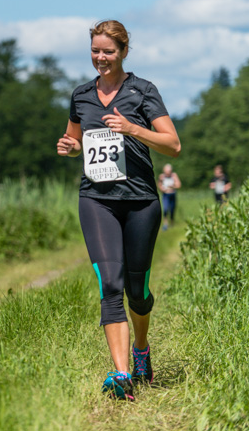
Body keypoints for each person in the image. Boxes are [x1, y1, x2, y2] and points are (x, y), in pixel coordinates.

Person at [57, 20, 181, 401]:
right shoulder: (81, 95)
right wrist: (71, 147)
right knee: (110, 285)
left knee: (136, 291)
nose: (101, 57)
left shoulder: (143, 91)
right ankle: (123, 373)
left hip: (141, 201)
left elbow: (173, 145)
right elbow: (75, 139)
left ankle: (141, 350)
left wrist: (132, 129)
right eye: (95, 50)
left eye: (108, 51)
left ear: (124, 52)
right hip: (96, 200)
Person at [157, 163, 181, 230]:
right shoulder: (161, 176)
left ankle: (172, 223)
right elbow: (159, 185)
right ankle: (165, 224)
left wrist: (172, 186)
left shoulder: (174, 175)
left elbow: (179, 185)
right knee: (165, 209)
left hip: (172, 194)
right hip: (165, 195)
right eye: (167, 172)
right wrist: (162, 189)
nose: (168, 173)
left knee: (172, 210)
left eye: (169, 172)